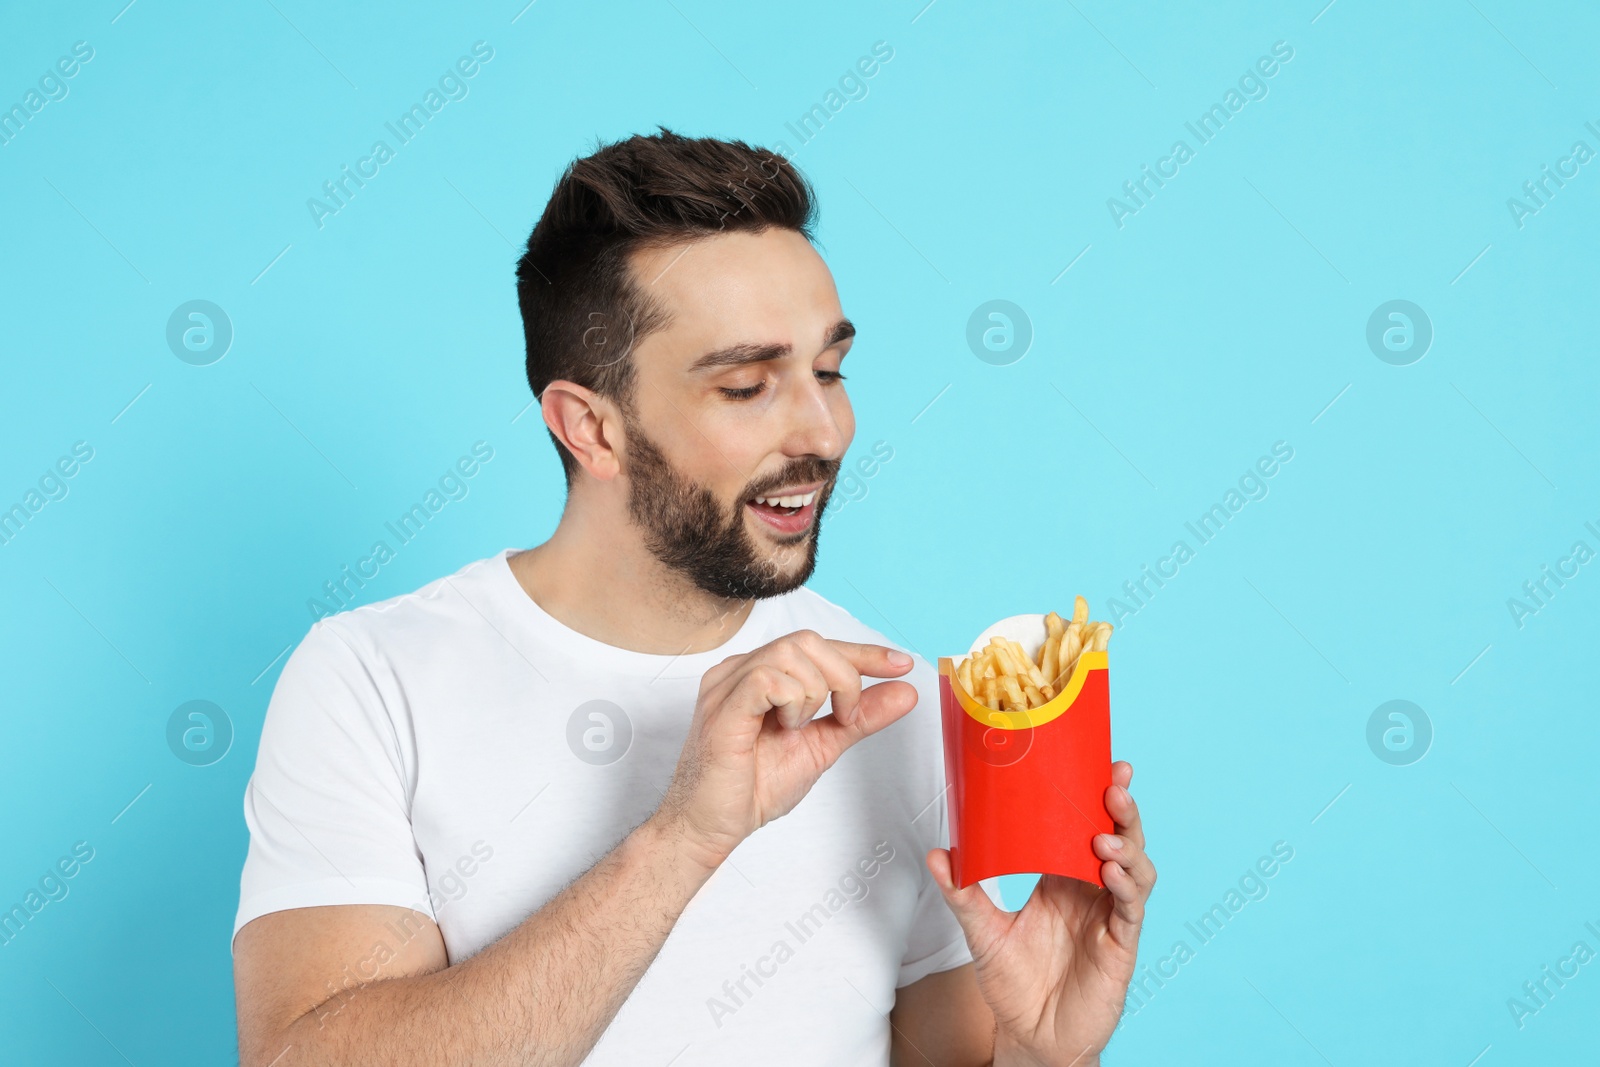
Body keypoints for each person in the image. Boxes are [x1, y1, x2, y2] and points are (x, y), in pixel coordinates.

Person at [231, 127, 1156, 1066]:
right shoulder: (371, 682)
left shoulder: (895, 706)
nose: (826, 429)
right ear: (590, 427)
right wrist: (683, 837)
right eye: (749, 385)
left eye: (829, 370)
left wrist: (1039, 1055)